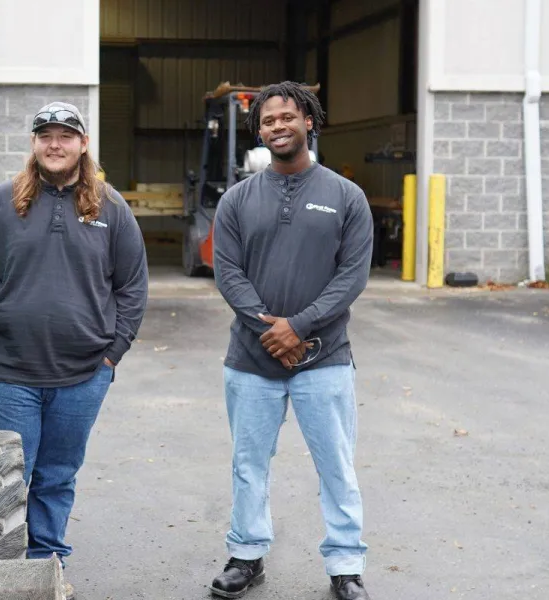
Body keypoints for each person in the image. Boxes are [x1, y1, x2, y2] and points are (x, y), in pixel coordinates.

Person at [0, 101, 148, 567]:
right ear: (34, 145)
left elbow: (132, 286)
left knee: (58, 475)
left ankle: (47, 561)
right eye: (46, 136)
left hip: (83, 375)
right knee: (3, 477)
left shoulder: (111, 208)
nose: (55, 144)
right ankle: (1, 566)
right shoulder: (1, 203)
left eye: (65, 135)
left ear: (83, 144)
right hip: (6, 374)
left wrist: (111, 354)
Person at [206, 82, 372, 600]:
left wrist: (298, 327)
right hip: (251, 362)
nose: (278, 126)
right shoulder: (237, 199)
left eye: (287, 117)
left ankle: (346, 565)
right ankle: (247, 555)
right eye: (268, 120)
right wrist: (269, 328)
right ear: (259, 131)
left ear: (309, 123)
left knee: (336, 465)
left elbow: (352, 276)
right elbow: (228, 272)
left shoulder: (345, 196)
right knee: (248, 464)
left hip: (324, 360)